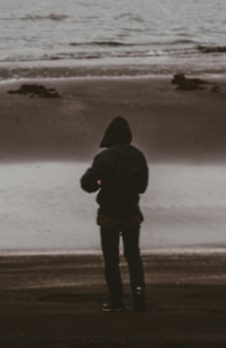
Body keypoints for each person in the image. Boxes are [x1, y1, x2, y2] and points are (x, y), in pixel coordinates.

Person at [80, 114, 149, 313]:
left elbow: (87, 184)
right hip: (131, 213)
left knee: (111, 259)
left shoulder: (103, 157)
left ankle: (117, 301)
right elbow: (143, 187)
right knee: (133, 256)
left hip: (109, 214)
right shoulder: (138, 155)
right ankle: (138, 296)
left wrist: (101, 182)